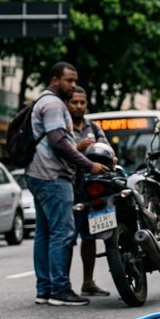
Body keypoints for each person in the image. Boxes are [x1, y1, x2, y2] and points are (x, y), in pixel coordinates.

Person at [26, 62, 109, 307]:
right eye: (69, 81)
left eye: (75, 81)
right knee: (62, 233)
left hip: (38, 174)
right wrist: (88, 164)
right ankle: (60, 289)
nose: (73, 86)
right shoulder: (52, 104)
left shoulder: (43, 101)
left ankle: (44, 289)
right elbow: (58, 142)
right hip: (53, 176)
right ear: (55, 81)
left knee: (44, 233)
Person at [66, 86, 113, 297]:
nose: (78, 106)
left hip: (94, 190)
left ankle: (88, 282)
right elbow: (59, 153)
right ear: (68, 103)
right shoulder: (63, 127)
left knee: (90, 236)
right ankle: (63, 286)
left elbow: (107, 150)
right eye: (74, 102)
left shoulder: (94, 128)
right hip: (70, 188)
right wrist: (78, 146)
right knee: (67, 237)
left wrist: (111, 159)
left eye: (82, 103)